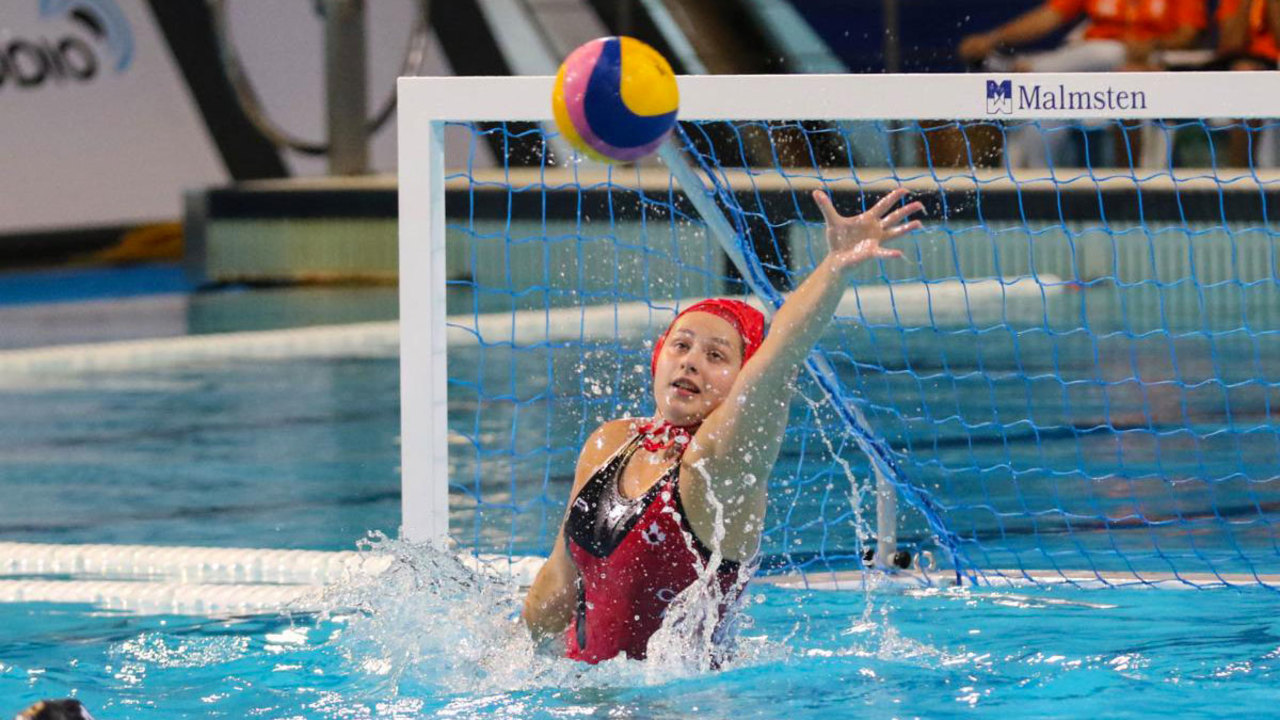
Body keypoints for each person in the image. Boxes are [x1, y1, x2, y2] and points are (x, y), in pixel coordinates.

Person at [521, 188, 925, 663]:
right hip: (578, 694)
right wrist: (505, 656)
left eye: (716, 356)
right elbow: (556, 588)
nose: (691, 363)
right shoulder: (610, 442)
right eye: (681, 346)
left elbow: (779, 358)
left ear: (741, 382)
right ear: (658, 357)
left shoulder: (719, 467)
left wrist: (834, 266)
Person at [959, 0, 1207, 168]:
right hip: (1086, 69)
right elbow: (1049, 16)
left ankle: (1028, 68)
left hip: (1144, 68)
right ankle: (1037, 189)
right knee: (1046, 107)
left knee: (1110, 52)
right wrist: (992, 39)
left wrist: (1152, 45)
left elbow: (1188, 35)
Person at [1215, 0, 1280, 165]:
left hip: (1274, 65)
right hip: (1248, 68)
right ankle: (1240, 173)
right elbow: (1230, 44)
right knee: (1245, 73)